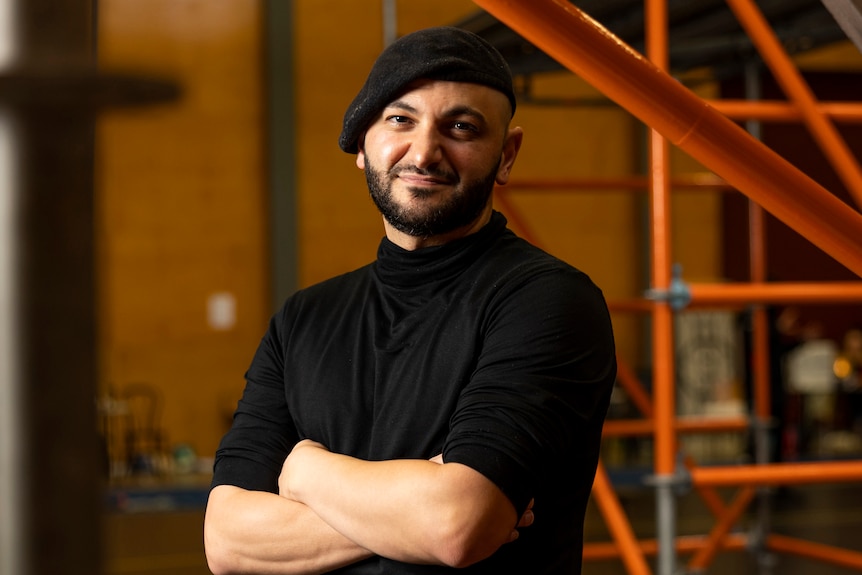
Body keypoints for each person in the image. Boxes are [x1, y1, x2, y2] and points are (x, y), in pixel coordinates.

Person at [204, 26, 617, 575]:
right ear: (362, 142)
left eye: (461, 127)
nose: (424, 152)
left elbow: (457, 526)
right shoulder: (304, 319)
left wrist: (305, 473)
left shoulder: (548, 302)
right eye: (400, 120)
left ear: (507, 154)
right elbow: (228, 540)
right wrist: (413, 512)